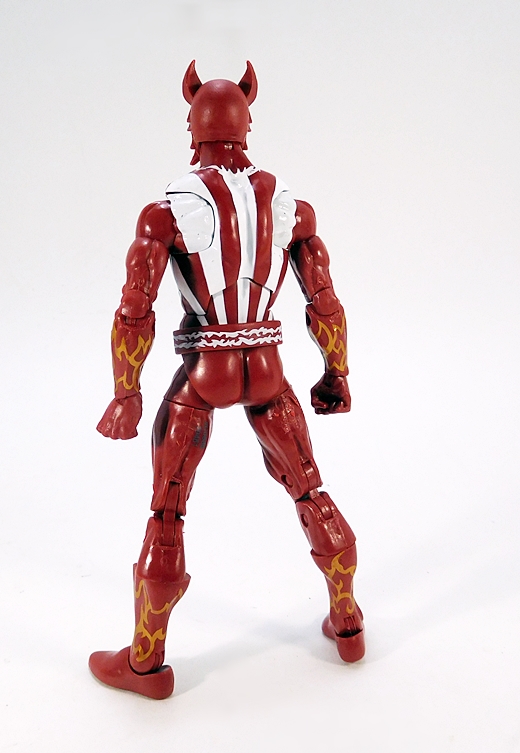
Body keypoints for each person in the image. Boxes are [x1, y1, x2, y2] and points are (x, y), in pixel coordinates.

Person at [89, 61, 365, 700]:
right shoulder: (292, 208)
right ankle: (348, 623)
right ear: (247, 123)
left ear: (193, 126)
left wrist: (126, 392)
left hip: (204, 372)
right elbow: (324, 302)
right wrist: (336, 372)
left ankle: (146, 662)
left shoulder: (164, 212)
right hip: (267, 368)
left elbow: (135, 309)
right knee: (309, 489)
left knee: (168, 509)